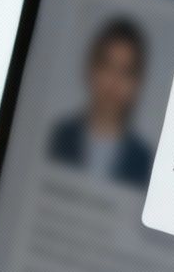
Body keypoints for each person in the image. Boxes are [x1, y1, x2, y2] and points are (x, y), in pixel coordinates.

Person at [47, 16, 157, 186]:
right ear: (92, 69)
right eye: (108, 66)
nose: (114, 82)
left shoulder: (143, 160)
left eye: (126, 72)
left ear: (137, 83)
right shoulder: (60, 138)